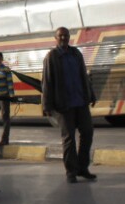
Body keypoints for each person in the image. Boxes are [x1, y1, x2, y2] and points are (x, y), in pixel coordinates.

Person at [42, 27, 97, 184]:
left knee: (87, 133)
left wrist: (91, 94)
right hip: (64, 105)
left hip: (80, 101)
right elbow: (47, 81)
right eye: (61, 36)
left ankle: (82, 167)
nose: (64, 38)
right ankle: (71, 171)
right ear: (56, 38)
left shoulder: (75, 53)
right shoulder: (51, 57)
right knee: (69, 139)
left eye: (66, 35)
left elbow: (84, 75)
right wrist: (46, 105)